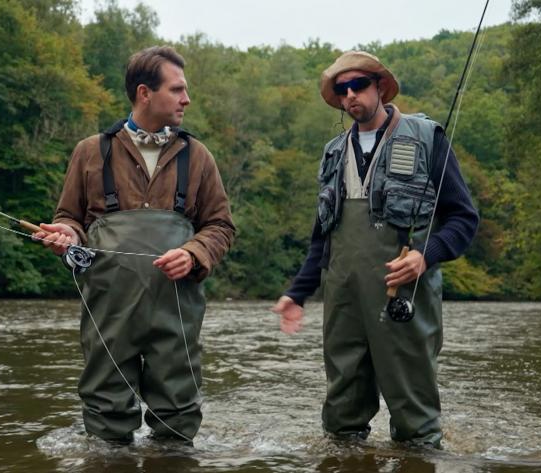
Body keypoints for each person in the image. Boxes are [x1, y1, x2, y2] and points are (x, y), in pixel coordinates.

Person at [272, 51, 479, 448]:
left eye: (359, 85)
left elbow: (463, 218)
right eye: (342, 89)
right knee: (341, 416)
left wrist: (426, 255)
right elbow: (323, 237)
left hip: (402, 294)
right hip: (343, 299)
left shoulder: (426, 138)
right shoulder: (333, 153)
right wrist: (297, 293)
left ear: (380, 87)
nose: (351, 95)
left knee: (414, 418)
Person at [32, 46, 235, 444]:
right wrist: (67, 236)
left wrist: (194, 253)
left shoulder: (198, 157)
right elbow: (68, 218)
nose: (186, 99)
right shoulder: (89, 152)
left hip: (176, 309)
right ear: (145, 93)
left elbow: (220, 226)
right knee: (106, 426)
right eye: (177, 90)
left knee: (177, 424)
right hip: (109, 311)